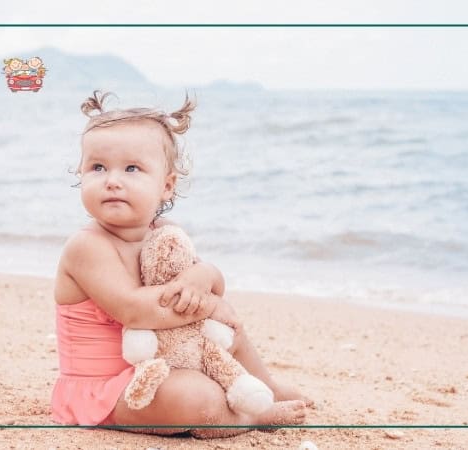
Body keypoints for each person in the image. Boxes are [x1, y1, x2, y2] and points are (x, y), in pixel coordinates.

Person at [51, 91, 310, 438]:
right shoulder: (87, 246)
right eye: (98, 167)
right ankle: (249, 418)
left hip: (168, 362)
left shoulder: (168, 234)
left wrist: (205, 275)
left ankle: (267, 388)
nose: (112, 179)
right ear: (80, 175)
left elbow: (211, 282)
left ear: (167, 186)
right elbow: (133, 310)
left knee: (227, 328)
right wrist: (209, 305)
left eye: (132, 168)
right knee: (194, 395)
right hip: (108, 391)